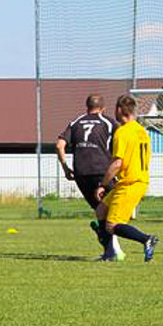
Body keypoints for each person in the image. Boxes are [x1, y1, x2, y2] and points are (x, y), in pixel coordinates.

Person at [56, 94, 124, 260]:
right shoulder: (109, 122)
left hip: (82, 173)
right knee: (112, 210)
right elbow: (121, 142)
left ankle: (111, 249)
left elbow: (59, 145)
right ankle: (113, 250)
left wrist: (65, 168)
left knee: (100, 210)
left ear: (86, 107)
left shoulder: (76, 122)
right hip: (102, 172)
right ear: (103, 108)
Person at [96, 95, 159, 262]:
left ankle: (146, 239)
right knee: (101, 210)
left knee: (112, 225)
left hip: (130, 183)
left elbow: (118, 163)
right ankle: (109, 253)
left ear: (118, 110)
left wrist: (103, 184)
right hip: (137, 180)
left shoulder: (122, 132)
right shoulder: (141, 131)